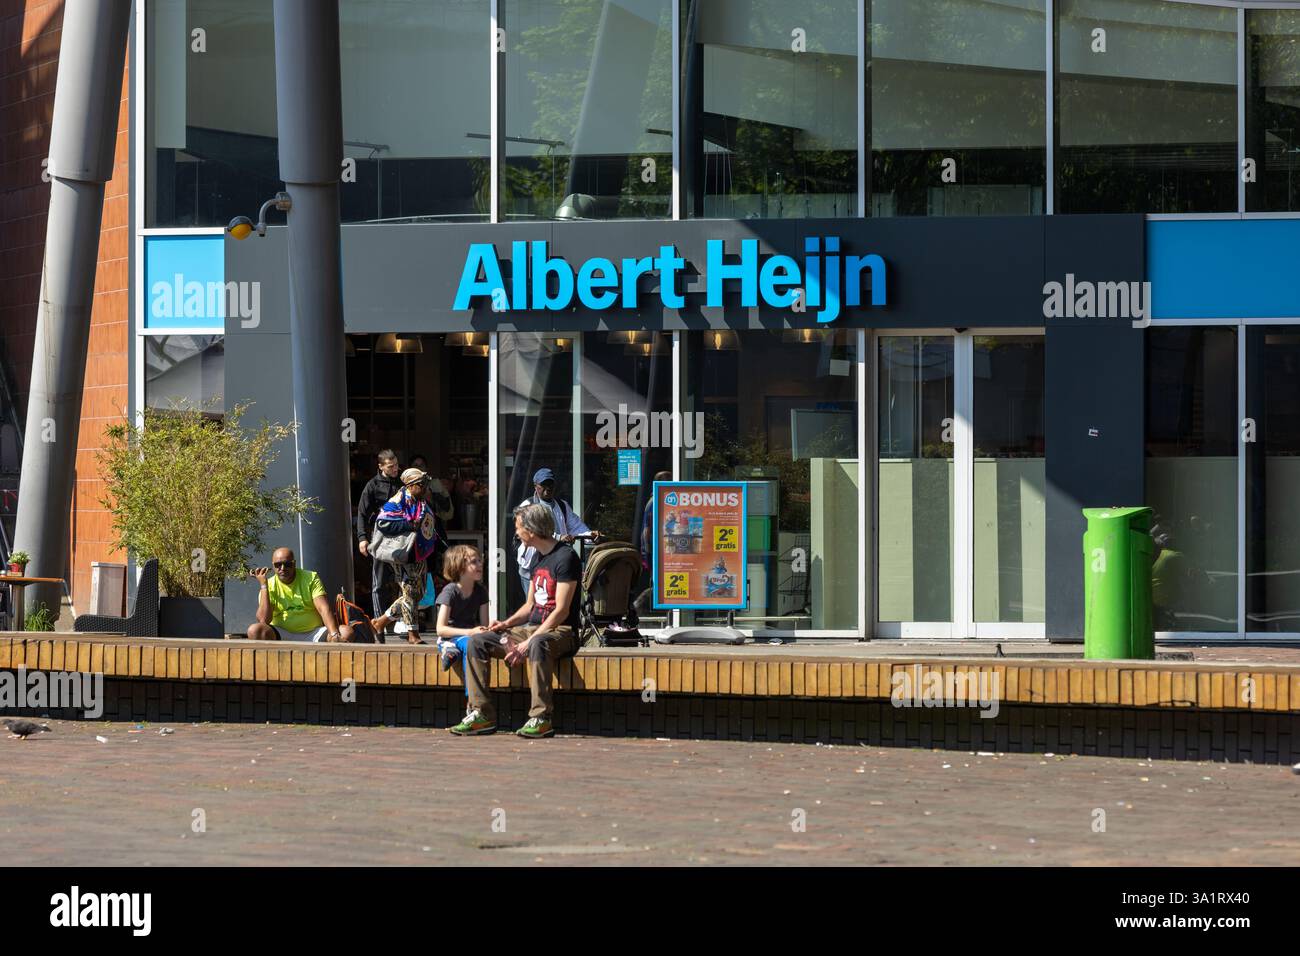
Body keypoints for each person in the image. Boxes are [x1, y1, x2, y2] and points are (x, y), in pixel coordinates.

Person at [451, 502, 582, 738]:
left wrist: (528, 642)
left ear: (531, 530)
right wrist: (505, 624)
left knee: (538, 643)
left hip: (561, 631)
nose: (517, 532)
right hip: (533, 628)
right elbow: (529, 606)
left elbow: (561, 611)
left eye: (519, 527)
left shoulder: (566, 557)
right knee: (477, 641)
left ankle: (541, 717)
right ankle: (481, 714)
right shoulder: (537, 558)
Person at [368, 468, 441, 645]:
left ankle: (380, 622)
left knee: (418, 594)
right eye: (421, 485)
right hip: (403, 554)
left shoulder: (420, 501)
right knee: (410, 593)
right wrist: (408, 525)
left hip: (419, 553)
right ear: (410, 485)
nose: (425, 488)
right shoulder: (397, 501)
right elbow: (383, 522)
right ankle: (412, 634)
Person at [514, 466, 599, 595]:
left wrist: (590, 535)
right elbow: (530, 532)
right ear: (535, 486)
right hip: (532, 567)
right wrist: (558, 537)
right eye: (543, 484)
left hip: (555, 566)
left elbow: (577, 527)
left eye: (550, 484)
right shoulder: (528, 506)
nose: (547, 488)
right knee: (535, 604)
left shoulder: (562, 505)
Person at [246, 547, 352, 642]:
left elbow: (323, 608)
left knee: (346, 632)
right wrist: (264, 586)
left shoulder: (310, 578)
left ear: (294, 564)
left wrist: (334, 634)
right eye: (278, 565)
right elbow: (263, 620)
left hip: (314, 634)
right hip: (282, 635)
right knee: (254, 630)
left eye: (287, 564)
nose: (282, 568)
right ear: (273, 566)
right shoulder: (269, 584)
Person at [433, 545, 491, 698]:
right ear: (459, 567)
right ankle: (472, 699)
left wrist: (487, 630)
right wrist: (471, 632)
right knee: (470, 645)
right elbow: (440, 629)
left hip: (469, 636)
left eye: (480, 560)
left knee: (478, 643)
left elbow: (484, 624)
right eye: (474, 562)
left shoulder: (481, 591)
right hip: (450, 637)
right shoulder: (450, 591)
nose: (480, 564)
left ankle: (453, 654)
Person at [355, 449, 403, 622]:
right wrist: (362, 538)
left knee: (404, 581)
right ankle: (378, 621)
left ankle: (403, 619)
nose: (395, 469)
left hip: (402, 536)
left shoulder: (402, 482)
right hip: (380, 537)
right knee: (379, 582)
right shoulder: (373, 485)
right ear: (381, 466)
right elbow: (362, 513)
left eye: (396, 465)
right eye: (390, 466)